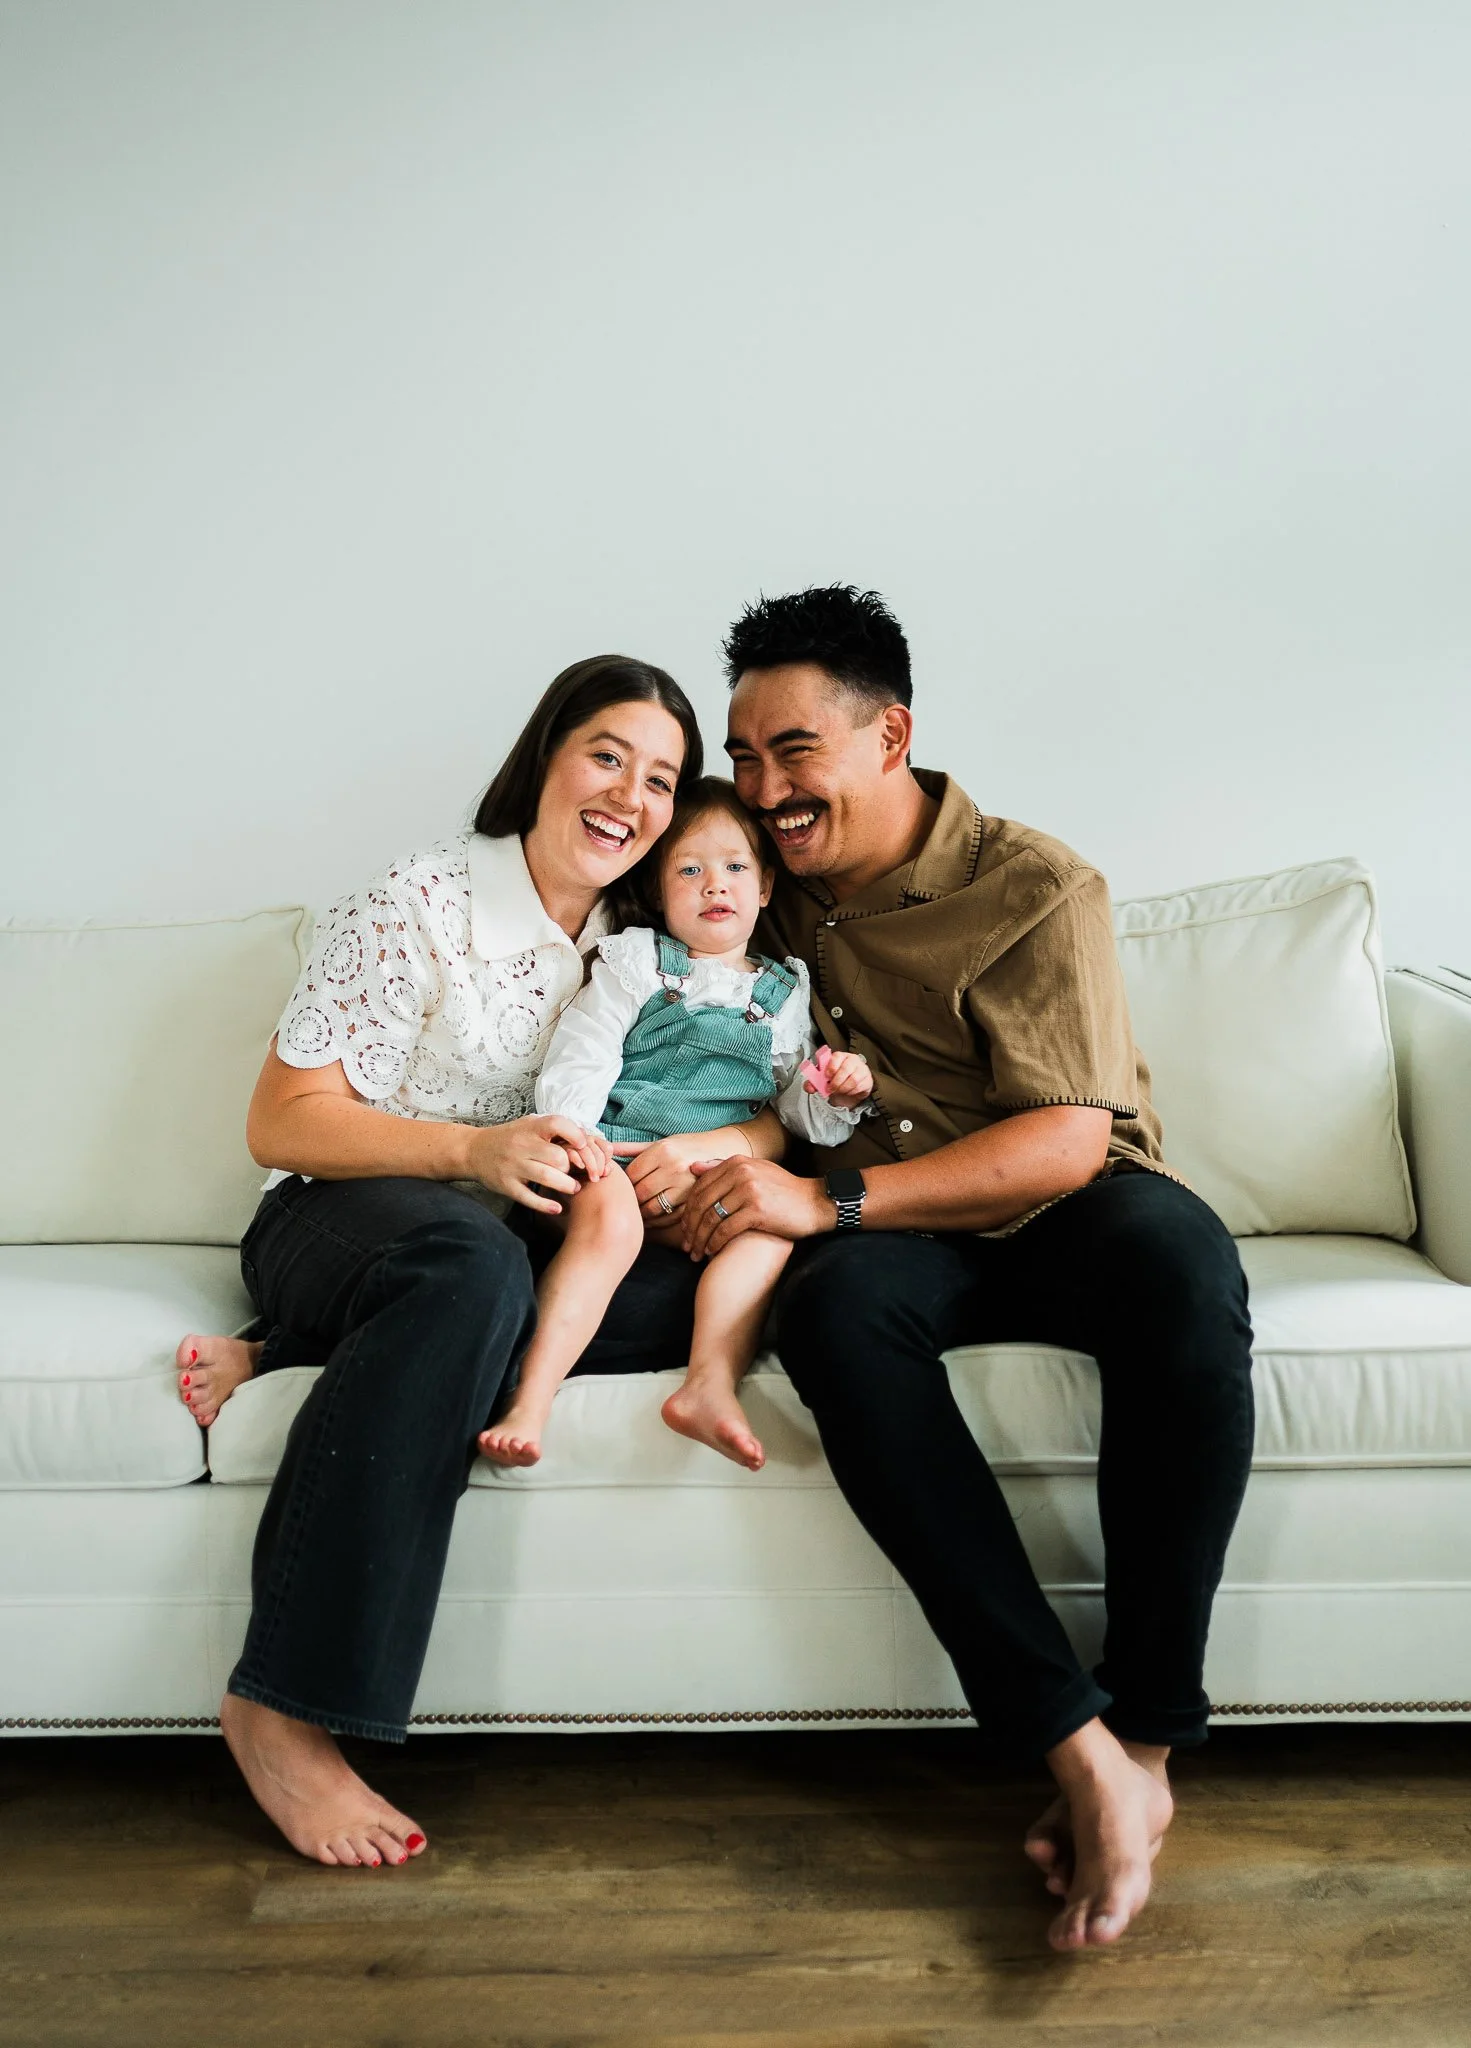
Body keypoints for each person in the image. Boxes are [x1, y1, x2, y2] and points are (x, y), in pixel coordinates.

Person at [678, 586, 1255, 1953]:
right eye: (742, 756)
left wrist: (826, 1201)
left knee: (1185, 1273)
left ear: (892, 738)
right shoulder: (758, 890)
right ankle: (1070, 1745)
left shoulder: (1031, 882)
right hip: (896, 1245)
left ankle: (1149, 1742)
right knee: (832, 1322)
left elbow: (1065, 1139)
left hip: (1065, 1206)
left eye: (792, 752)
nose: (762, 789)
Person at [174, 654, 783, 1870]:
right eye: (607, 754)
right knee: (467, 1267)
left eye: (662, 779)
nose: (630, 795)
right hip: (336, 1213)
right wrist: (469, 1148)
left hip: (504, 1240)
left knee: (732, 1270)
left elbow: (755, 1083)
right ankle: (282, 1705)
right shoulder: (419, 899)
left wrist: (717, 1151)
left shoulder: (637, 931)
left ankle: (293, 1356)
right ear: (546, 756)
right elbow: (282, 1120)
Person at [478, 776, 873, 1475]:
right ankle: (530, 1399)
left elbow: (791, 1112)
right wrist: (576, 1136)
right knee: (613, 1225)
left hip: (706, 1184)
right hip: (609, 1157)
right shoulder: (638, 964)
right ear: (658, 891)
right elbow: (585, 1049)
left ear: (765, 888)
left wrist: (837, 1093)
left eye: (733, 868)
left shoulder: (782, 994)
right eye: (689, 869)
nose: (713, 885)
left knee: (769, 1231)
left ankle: (707, 1384)